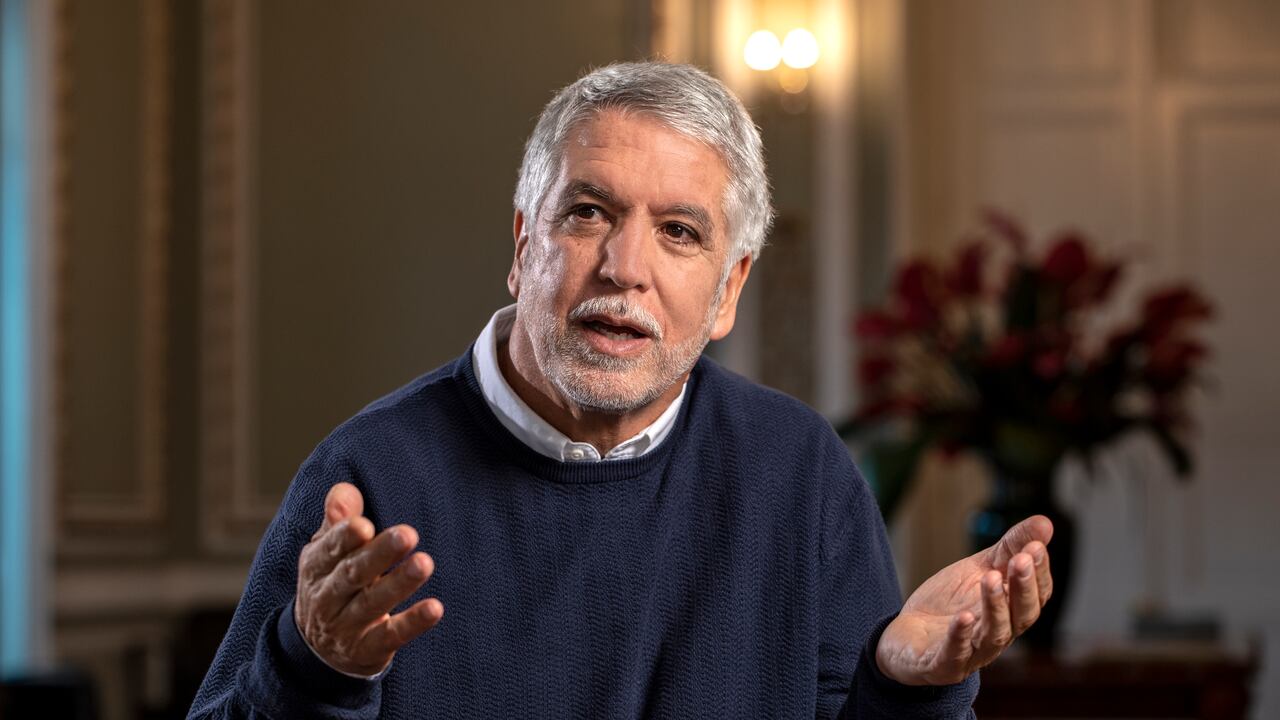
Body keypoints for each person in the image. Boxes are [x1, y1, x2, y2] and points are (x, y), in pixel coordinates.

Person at [189, 61, 1053, 719]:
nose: (624, 266)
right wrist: (313, 668)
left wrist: (906, 688)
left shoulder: (798, 470)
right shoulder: (368, 476)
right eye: (588, 212)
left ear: (729, 290)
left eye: (678, 232)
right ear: (523, 246)